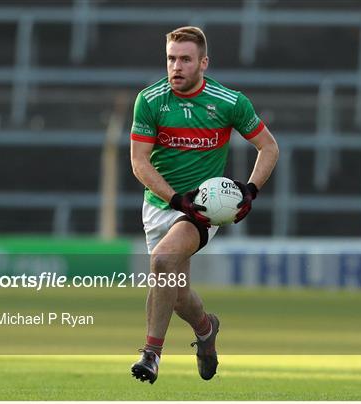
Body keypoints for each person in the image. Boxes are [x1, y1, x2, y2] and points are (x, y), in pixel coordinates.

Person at [130, 26, 279, 384]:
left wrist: (251, 191)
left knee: (162, 261)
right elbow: (139, 162)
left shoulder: (229, 102)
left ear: (203, 62)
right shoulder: (150, 100)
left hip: (200, 209)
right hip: (159, 206)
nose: (176, 66)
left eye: (185, 59)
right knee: (177, 295)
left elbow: (269, 147)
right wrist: (173, 198)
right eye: (170, 59)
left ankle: (151, 355)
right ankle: (206, 327)